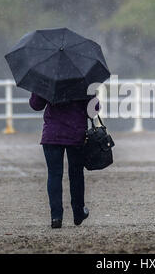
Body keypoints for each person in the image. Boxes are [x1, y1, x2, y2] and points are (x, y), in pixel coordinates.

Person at [29, 92, 93, 228]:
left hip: (52, 134)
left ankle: (56, 217)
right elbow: (93, 111)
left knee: (54, 175)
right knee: (76, 174)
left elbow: (35, 105)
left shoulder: (46, 79)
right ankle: (78, 213)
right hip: (76, 134)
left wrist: (39, 91)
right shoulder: (83, 80)